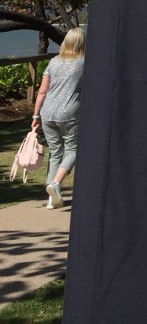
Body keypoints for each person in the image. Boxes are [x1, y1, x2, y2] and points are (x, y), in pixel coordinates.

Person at [31, 27, 86, 209]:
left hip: (48, 112)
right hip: (69, 112)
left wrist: (36, 115)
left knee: (55, 153)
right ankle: (55, 184)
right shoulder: (83, 63)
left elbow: (42, 91)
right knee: (73, 150)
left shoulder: (54, 62)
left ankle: (51, 199)